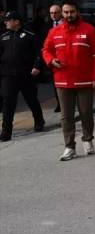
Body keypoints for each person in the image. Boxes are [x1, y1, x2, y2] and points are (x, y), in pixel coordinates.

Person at [41, 1, 95, 161]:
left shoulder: (89, 30)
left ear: (77, 12)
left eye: (72, 12)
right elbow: (46, 50)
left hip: (84, 80)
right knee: (66, 116)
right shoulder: (54, 32)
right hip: (62, 81)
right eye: (66, 12)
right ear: (62, 13)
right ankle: (69, 146)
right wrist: (51, 60)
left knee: (86, 113)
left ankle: (88, 139)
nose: (69, 15)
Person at [0, 11, 45, 140]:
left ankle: (39, 121)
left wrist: (37, 66)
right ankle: (6, 131)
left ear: (17, 22)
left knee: (31, 99)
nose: (5, 22)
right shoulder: (3, 37)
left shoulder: (29, 35)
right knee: (8, 102)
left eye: (8, 20)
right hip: (8, 75)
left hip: (26, 74)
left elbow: (38, 52)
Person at [46, 4, 63, 113]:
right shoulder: (47, 26)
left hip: (63, 57)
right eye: (51, 13)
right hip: (52, 58)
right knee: (55, 83)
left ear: (60, 13)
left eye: (55, 13)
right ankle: (59, 103)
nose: (53, 15)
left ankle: (65, 103)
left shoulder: (65, 24)